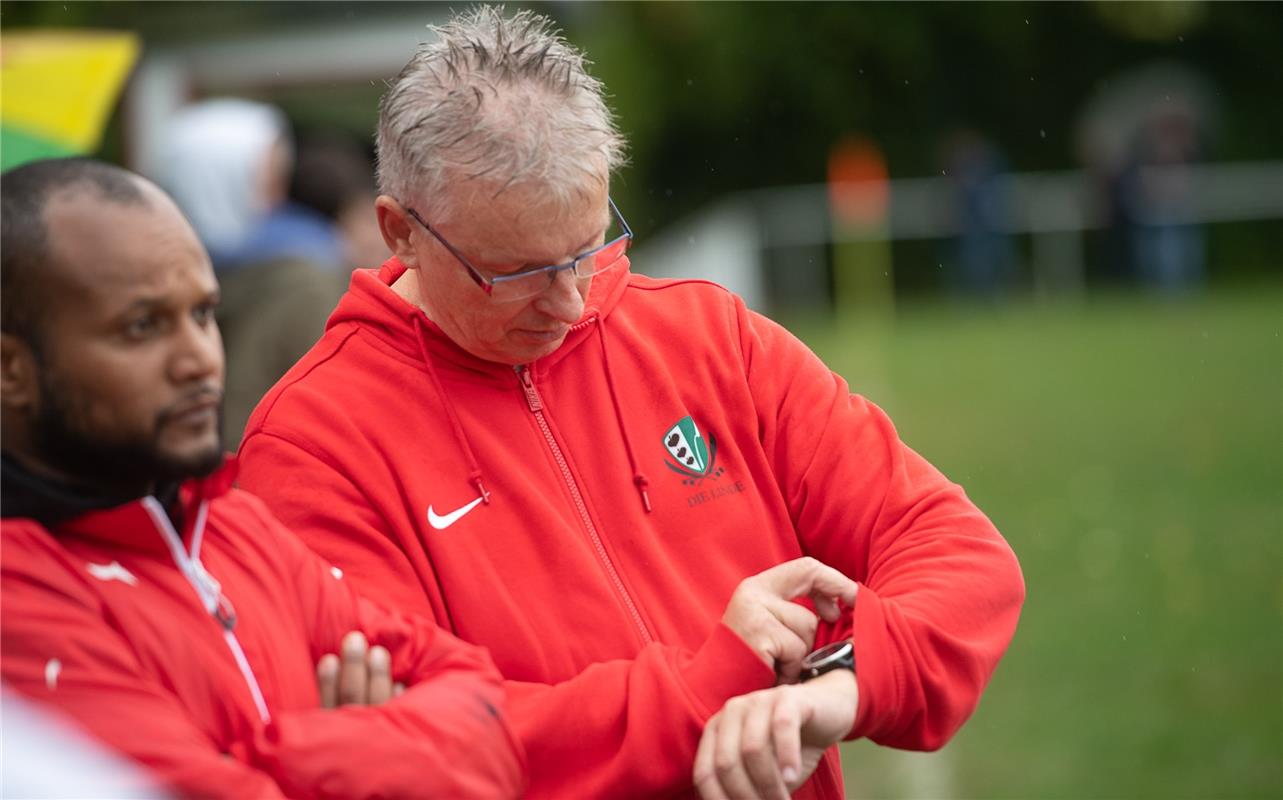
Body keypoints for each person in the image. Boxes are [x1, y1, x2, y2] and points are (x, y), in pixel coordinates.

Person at [237, 7, 1025, 799]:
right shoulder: (312, 446)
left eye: (587, 249)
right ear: (398, 232)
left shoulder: (709, 336)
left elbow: (957, 556)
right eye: (514, 273)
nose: (570, 303)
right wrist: (712, 682)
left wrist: (837, 687)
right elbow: (416, 746)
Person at [0, 157, 525, 799]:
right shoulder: (18, 593)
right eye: (142, 326)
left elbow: (485, 713)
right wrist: (370, 748)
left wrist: (300, 759)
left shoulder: (235, 528)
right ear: (11, 370)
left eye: (202, 314)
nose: (198, 358)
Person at [151, 99, 348, 448]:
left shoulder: (303, 274)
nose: (275, 198)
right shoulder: (302, 274)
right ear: (213, 180)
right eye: (265, 178)